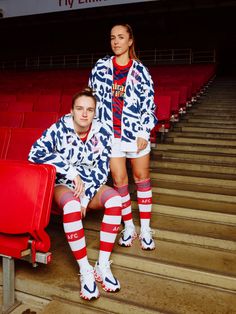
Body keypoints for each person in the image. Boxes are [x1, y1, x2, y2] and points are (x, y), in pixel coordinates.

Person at [28, 87, 122, 301]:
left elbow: (101, 170)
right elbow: (34, 153)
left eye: (90, 109)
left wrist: (86, 197)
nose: (84, 114)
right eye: (79, 108)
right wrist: (70, 171)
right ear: (71, 110)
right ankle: (85, 269)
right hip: (64, 183)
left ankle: (103, 265)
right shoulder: (59, 128)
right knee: (71, 205)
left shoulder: (103, 131)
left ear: (95, 112)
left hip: (91, 185)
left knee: (116, 200)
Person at [88, 24, 157, 250]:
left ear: (130, 41)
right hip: (111, 137)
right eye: (112, 38)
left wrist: (144, 132)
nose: (116, 42)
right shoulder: (100, 68)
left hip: (135, 135)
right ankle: (129, 226)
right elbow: (91, 97)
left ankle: (145, 228)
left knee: (141, 179)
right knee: (119, 182)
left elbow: (149, 106)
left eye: (120, 37)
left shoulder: (141, 71)